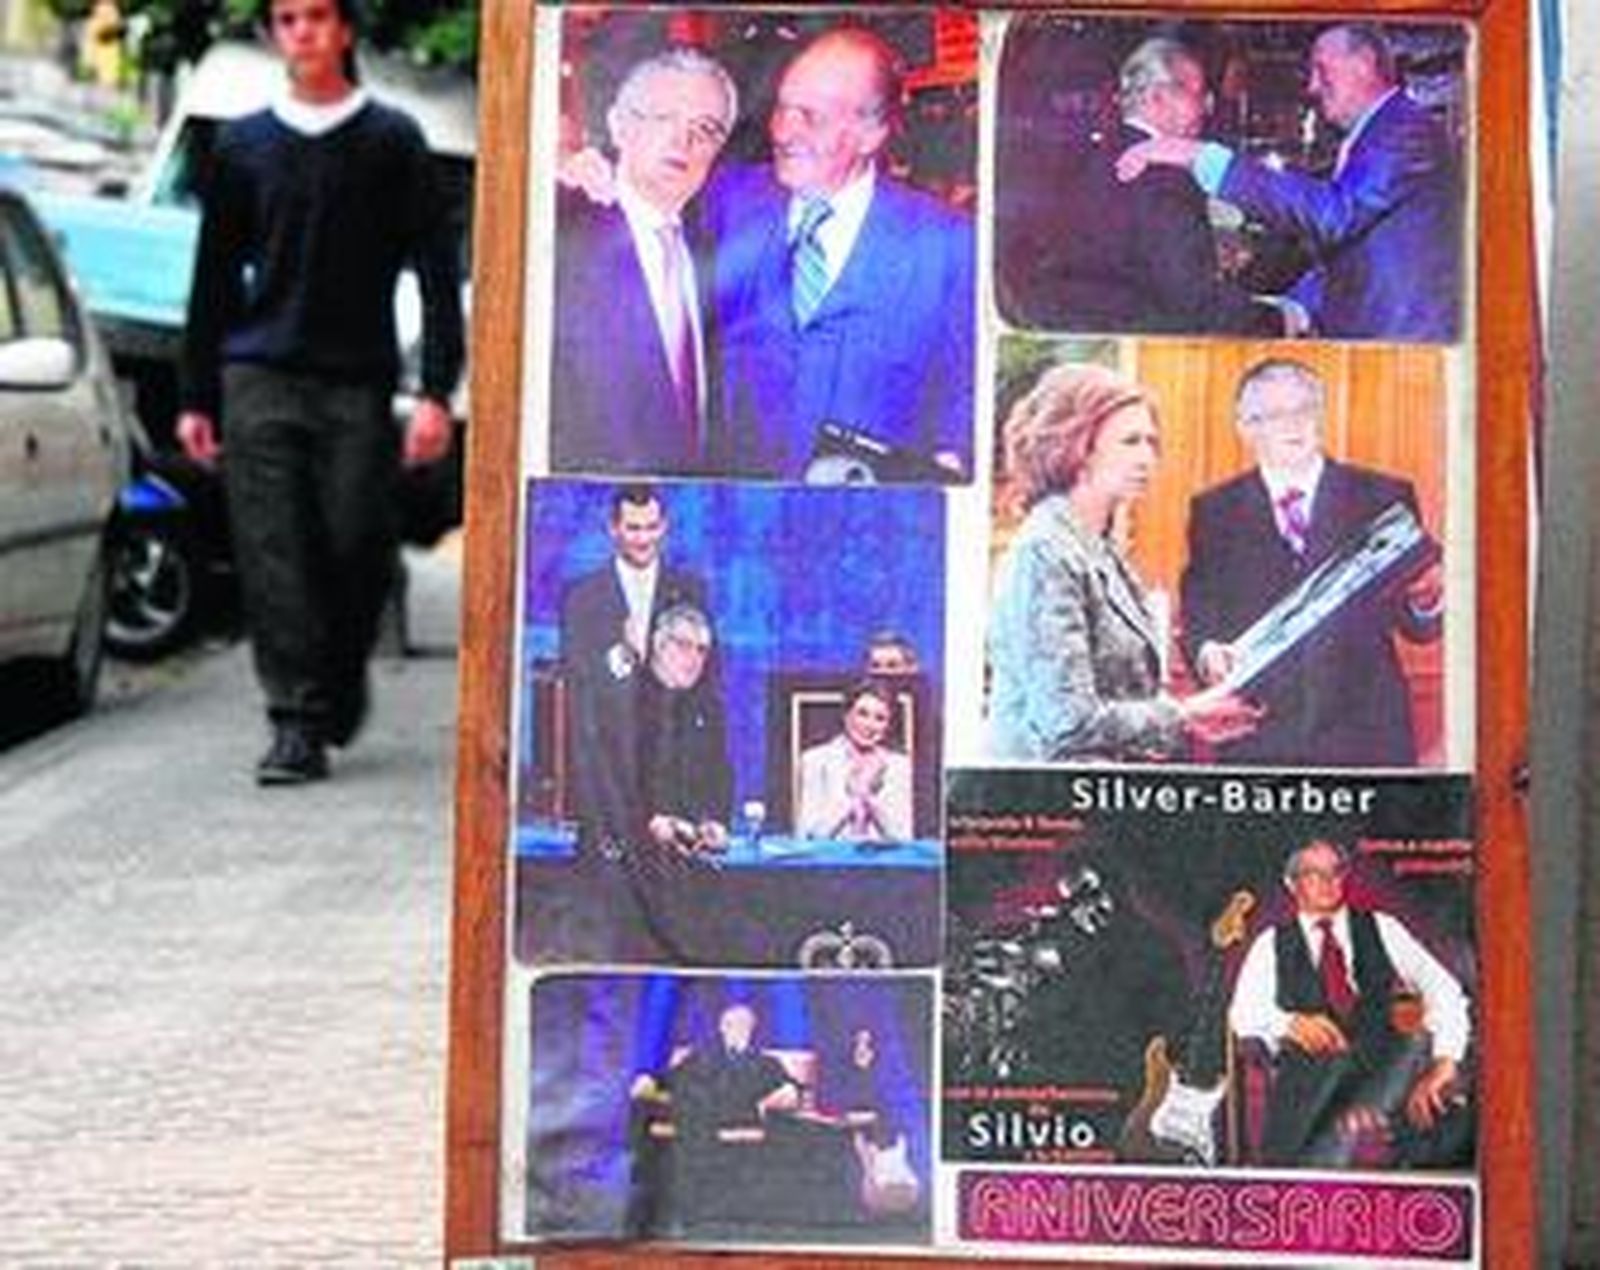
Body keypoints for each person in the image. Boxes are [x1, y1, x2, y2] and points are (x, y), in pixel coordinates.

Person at [176, 0, 464, 785]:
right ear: (275, 34)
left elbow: (438, 275)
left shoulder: (392, 143)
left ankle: (335, 682)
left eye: (315, 16)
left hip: (354, 386)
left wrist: (437, 389)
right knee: (275, 557)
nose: (300, 31)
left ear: (344, 32)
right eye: (286, 19)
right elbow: (212, 281)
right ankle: (295, 724)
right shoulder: (243, 147)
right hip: (258, 380)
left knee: (356, 546)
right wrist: (196, 395)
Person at [705, 26, 974, 481]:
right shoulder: (725, 198)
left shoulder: (948, 246)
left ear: (872, 133)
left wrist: (948, 466)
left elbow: (965, 397)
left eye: (811, 116)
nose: (784, 131)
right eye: (782, 108)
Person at [1116, 22, 1461, 341]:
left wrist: (1204, 157)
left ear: (1364, 63)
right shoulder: (1381, 131)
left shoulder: (1404, 130)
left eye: (1320, 69)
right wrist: (1289, 308)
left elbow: (1335, 216)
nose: (1311, 85)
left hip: (1403, 341)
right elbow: (1343, 254)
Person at [985, 363, 1259, 762]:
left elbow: (1125, 691)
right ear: (1075, 446)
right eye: (1130, 442)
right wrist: (1182, 714)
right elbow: (1066, 722)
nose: (1148, 458)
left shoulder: (1099, 547)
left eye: (1152, 442)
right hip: (1047, 804)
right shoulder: (1047, 551)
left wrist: (1194, 712)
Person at [1179, 359, 1443, 766]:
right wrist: (1208, 652)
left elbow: (1417, 625)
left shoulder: (1384, 497)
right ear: (1246, 427)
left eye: (1304, 410)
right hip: (1260, 738)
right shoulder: (1214, 510)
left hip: (1368, 736)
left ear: (1320, 416)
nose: (1293, 425)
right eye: (1275, 414)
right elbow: (1200, 613)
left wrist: (1429, 600)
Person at [550, 48, 738, 475]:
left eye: (705, 129)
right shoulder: (561, 232)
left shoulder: (713, 248)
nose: (682, 141)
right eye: (663, 117)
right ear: (619, 125)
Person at [1228, 840, 1471, 1167]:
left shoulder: (1383, 928)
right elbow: (1242, 1013)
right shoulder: (1270, 943)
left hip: (1381, 1085)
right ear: (1292, 884)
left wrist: (1445, 1063)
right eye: (1314, 873)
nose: (1328, 882)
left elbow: (1446, 991)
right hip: (1307, 1098)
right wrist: (1288, 1023)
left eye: (1335, 871)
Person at [1018, 37, 1280, 335]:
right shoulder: (1164, 176)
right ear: (1157, 98)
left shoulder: (1085, 159)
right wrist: (1278, 318)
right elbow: (1193, 303)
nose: (1206, 110)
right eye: (1198, 96)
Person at [558, 486, 709, 855]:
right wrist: (624, 656)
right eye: (633, 528)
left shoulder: (690, 588)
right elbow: (579, 676)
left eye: (651, 527)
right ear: (613, 529)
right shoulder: (582, 596)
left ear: (664, 527)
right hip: (610, 760)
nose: (643, 538)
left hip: (669, 762)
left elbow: (704, 679)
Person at [636, 602, 732, 856]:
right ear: (658, 643)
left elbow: (720, 779)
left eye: (702, 650)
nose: (694, 659)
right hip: (633, 849)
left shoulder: (708, 709)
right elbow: (612, 784)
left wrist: (715, 823)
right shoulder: (626, 702)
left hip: (692, 850)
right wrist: (649, 821)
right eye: (683, 646)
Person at [797, 679, 912, 842]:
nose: (869, 725)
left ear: (888, 726)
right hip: (831, 863)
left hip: (883, 864)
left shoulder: (899, 766)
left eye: (880, 718)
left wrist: (870, 798)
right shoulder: (815, 760)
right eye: (862, 714)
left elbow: (903, 839)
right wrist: (851, 800)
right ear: (847, 716)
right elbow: (807, 837)